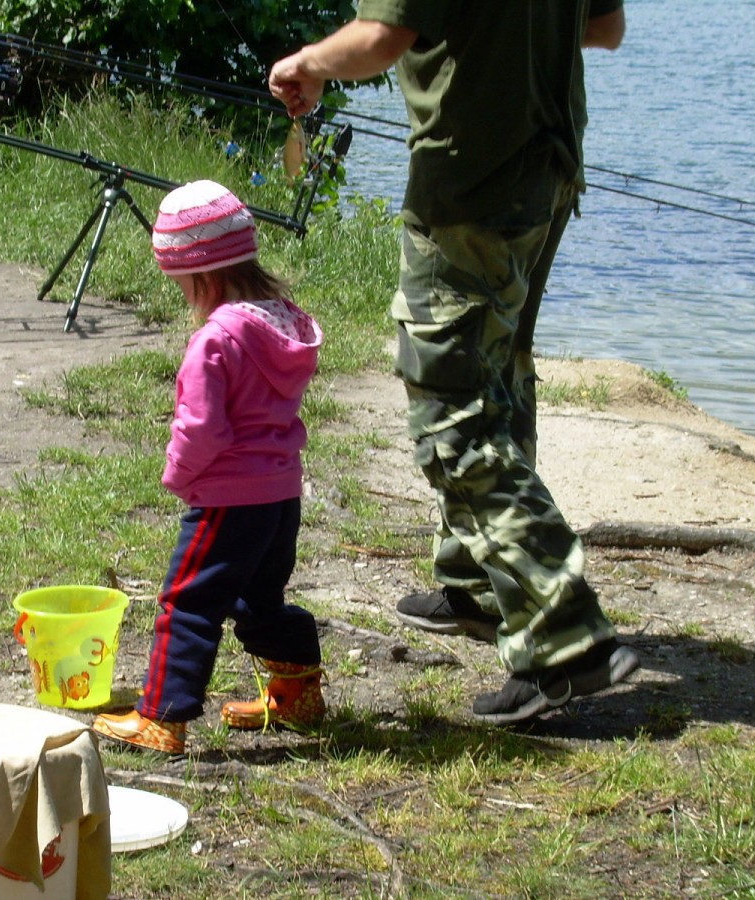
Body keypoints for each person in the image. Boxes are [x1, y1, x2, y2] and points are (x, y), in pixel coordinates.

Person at [268, 1, 639, 724]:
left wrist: (307, 62)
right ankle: (476, 584)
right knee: (498, 380)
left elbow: (381, 37)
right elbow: (603, 26)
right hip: (547, 171)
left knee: (453, 415)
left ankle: (565, 640)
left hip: (473, 187)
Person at [92, 180, 326, 755]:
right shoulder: (284, 323)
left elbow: (202, 429)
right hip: (280, 494)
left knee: (188, 600)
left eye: (182, 285)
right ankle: (298, 694)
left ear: (203, 275)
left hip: (227, 497)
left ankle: (162, 718)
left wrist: (178, 474)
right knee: (257, 600)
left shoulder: (215, 340)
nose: (184, 297)